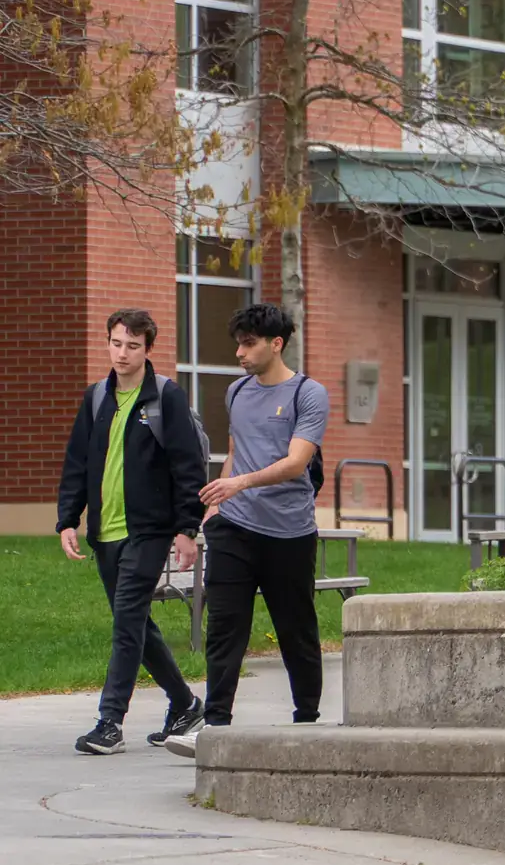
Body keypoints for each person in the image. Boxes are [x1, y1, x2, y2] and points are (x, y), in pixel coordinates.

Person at [166, 303, 330, 759]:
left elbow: (297, 462)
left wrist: (239, 483)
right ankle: (214, 725)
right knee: (224, 626)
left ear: (276, 344)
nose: (239, 352)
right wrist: (215, 508)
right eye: (238, 342)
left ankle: (308, 721)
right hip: (234, 527)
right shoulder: (236, 392)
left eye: (248, 343)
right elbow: (236, 452)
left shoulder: (308, 394)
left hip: (289, 533)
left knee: (295, 627)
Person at [56, 310, 209, 754]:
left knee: (126, 622)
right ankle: (185, 704)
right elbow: (78, 463)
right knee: (137, 623)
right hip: (106, 532)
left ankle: (109, 723)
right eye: (116, 343)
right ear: (108, 343)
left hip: (149, 530)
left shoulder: (166, 398)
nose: (122, 354)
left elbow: (187, 465)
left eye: (133, 346)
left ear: (147, 349)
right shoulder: (97, 399)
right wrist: (69, 517)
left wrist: (186, 528)